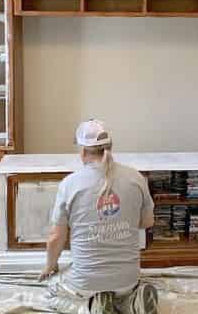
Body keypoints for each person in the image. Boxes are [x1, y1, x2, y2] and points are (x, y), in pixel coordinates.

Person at [38, 119, 159, 314]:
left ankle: (90, 306)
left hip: (85, 282)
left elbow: (55, 238)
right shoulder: (136, 178)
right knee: (123, 293)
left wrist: (50, 267)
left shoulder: (70, 184)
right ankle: (131, 304)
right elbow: (147, 222)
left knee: (50, 292)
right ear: (110, 147)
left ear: (83, 151)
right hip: (128, 280)